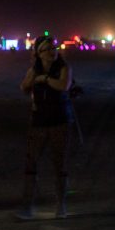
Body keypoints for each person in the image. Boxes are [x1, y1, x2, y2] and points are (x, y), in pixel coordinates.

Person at [18, 35, 74, 219]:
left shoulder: (64, 68)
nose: (53, 52)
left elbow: (63, 85)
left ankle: (61, 204)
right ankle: (28, 205)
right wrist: (34, 78)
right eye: (48, 49)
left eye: (54, 48)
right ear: (39, 54)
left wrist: (44, 79)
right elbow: (24, 87)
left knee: (60, 164)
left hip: (59, 120)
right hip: (39, 122)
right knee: (31, 163)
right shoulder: (33, 70)